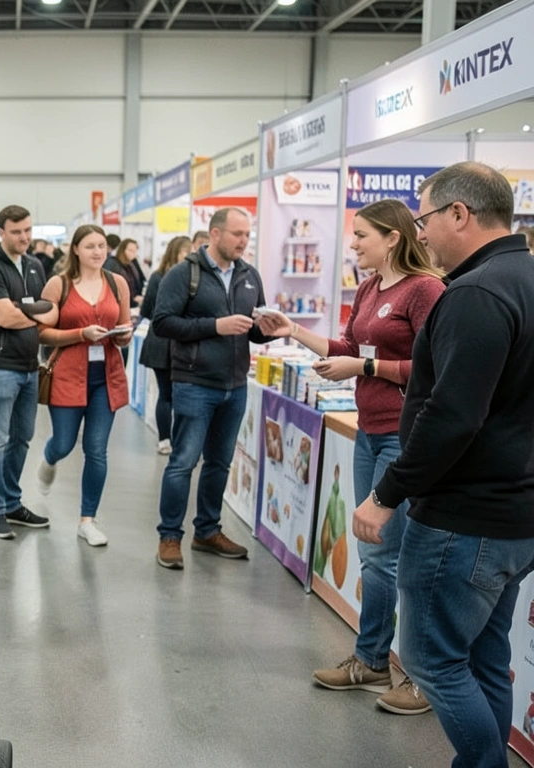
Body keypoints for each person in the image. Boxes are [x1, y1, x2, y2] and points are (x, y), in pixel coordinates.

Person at [350, 162, 534, 767]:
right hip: (511, 515)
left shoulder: (476, 293)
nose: (420, 233)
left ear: (460, 213)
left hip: (465, 518)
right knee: (483, 656)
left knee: (430, 660)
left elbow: (453, 415)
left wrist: (387, 493)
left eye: (426, 218)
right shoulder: (522, 279)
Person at [257, 199, 444, 716]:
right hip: (369, 432)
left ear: (393, 236)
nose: (354, 243)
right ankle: (372, 660)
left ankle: (423, 676)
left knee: (399, 559)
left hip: (405, 436)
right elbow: (346, 343)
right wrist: (290, 330)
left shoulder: (425, 289)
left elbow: (432, 367)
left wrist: (363, 365)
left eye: (362, 235)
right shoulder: (368, 288)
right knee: (374, 554)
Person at [151, 208, 271, 569]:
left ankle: (207, 530)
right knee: (183, 462)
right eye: (237, 234)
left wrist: (269, 327)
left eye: (247, 235)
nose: (243, 241)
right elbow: (163, 323)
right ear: (214, 234)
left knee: (219, 463)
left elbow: (253, 328)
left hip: (235, 385)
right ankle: (170, 536)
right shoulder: (183, 273)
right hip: (194, 383)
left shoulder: (250, 276)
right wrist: (214, 326)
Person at [35, 225, 132, 547]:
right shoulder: (58, 284)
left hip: (106, 376)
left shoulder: (117, 284)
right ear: (75, 249)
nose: (97, 252)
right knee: (63, 444)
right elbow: (42, 333)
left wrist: (123, 335)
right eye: (90, 246)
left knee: (96, 450)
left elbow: (125, 325)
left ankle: (87, 520)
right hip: (67, 374)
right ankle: (49, 460)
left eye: (102, 246)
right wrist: (80, 334)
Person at [0, 205, 56, 540]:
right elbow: (5, 318)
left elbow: (52, 312)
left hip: (28, 366)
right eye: (16, 231)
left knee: (22, 438)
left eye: (27, 230)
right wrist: (34, 313)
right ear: (2, 233)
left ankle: (12, 502)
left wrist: (24, 311)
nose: (24, 237)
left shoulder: (35, 265)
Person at [138, 236, 190, 456]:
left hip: (180, 342)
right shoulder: (159, 277)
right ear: (174, 252)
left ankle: (176, 440)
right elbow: (147, 310)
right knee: (166, 393)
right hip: (161, 342)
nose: (188, 256)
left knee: (179, 394)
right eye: (184, 252)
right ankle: (164, 439)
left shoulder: (191, 278)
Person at [104, 237, 146, 308]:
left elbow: (140, 281)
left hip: (131, 303)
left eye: (135, 251)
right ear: (122, 250)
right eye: (130, 250)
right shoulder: (112, 263)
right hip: (117, 304)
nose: (133, 254)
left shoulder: (131, 265)